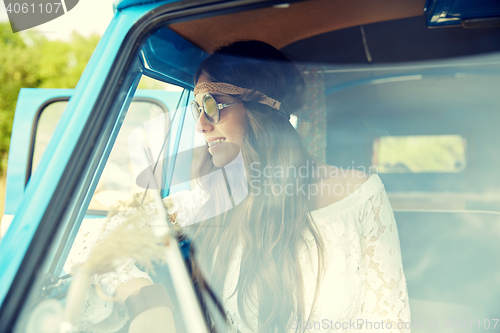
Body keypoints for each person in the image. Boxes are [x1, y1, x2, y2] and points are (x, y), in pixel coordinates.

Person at [65, 40, 410, 333]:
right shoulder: (209, 197)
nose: (201, 124)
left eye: (212, 106)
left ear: (264, 110)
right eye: (196, 108)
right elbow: (91, 242)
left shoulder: (359, 194)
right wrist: (146, 297)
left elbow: (389, 320)